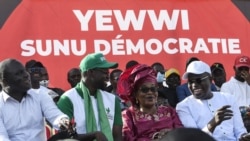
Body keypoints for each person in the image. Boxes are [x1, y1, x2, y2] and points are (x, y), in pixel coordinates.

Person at [176, 60, 250, 141]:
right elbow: (195, 138)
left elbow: (240, 131)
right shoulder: (183, 106)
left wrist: (244, 137)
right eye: (190, 82)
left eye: (198, 80)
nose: (194, 85)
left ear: (210, 79)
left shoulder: (228, 98)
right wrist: (213, 123)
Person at [57, 52, 123, 141]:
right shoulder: (67, 99)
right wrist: (94, 135)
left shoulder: (112, 100)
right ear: (90, 72)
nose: (108, 77)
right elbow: (63, 137)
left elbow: (117, 136)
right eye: (105, 72)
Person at [0, 58, 70, 141]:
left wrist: (62, 121)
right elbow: (2, 137)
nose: (26, 75)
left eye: (24, 71)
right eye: (18, 74)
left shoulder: (40, 95)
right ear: (5, 82)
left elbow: (55, 115)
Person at [117, 64, 182, 141]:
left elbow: (181, 133)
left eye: (153, 89)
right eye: (144, 90)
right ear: (135, 94)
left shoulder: (169, 111)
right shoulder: (128, 115)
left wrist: (169, 134)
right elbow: (128, 138)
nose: (150, 93)